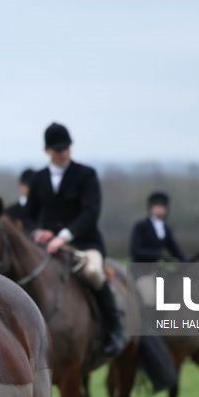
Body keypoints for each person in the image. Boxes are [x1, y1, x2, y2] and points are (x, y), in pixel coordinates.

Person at [24, 123, 125, 357]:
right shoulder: (39, 179)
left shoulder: (86, 175)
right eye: (58, 150)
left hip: (84, 244)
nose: (64, 153)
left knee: (93, 273)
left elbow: (91, 213)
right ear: (46, 150)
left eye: (67, 148)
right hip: (47, 247)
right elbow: (27, 216)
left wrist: (62, 236)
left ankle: (115, 328)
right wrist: (36, 232)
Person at [129, 191, 186, 263]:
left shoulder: (166, 228)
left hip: (158, 269)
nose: (160, 209)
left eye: (162, 207)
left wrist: (188, 262)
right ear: (151, 208)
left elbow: (175, 250)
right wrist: (158, 254)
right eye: (157, 206)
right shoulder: (141, 226)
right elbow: (135, 251)